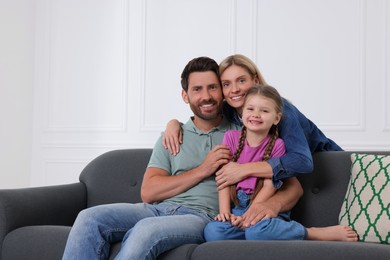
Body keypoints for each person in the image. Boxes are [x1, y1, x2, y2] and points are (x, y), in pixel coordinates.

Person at [62, 56, 303, 260]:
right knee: (89, 217)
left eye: (212, 87)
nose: (206, 96)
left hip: (201, 216)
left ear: (222, 91)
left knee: (146, 230)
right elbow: (149, 192)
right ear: (185, 96)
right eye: (197, 89)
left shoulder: (244, 133)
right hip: (156, 209)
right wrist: (204, 167)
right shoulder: (173, 135)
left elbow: (290, 184)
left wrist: (264, 206)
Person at [163, 54, 343, 228]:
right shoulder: (231, 110)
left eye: (241, 81)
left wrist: (242, 170)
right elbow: (203, 113)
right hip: (279, 182)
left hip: (327, 165)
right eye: (226, 84)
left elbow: (302, 161)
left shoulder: (280, 109)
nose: (235, 90)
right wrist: (174, 124)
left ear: (255, 80)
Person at [203, 84, 357, 242]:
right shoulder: (230, 138)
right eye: (250, 109)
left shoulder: (278, 145)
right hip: (238, 209)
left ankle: (311, 233)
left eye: (264, 111)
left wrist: (250, 214)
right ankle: (246, 228)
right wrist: (226, 214)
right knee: (213, 231)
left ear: (276, 118)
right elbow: (223, 179)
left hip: (264, 204)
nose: (256, 114)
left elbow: (270, 185)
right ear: (242, 113)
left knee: (257, 232)